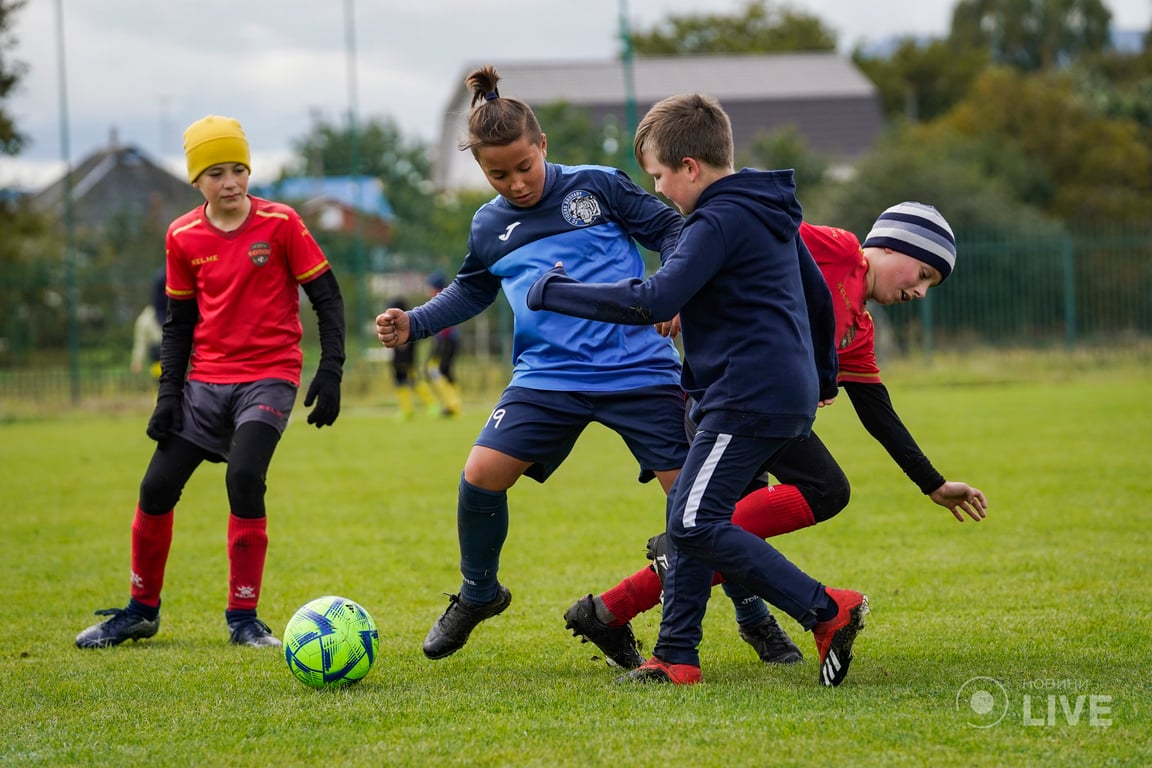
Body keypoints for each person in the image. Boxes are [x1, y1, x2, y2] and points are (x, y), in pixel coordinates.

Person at [527, 92, 866, 687]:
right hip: (776, 395)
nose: (657, 189)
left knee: (689, 521)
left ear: (690, 167)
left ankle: (825, 608)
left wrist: (556, 292)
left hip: (744, 397)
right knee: (696, 513)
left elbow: (654, 300)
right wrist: (823, 377)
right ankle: (677, 656)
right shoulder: (769, 208)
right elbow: (816, 297)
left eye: (659, 175)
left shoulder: (716, 219)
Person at [561, 203, 988, 671]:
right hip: (727, 397)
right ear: (889, 246)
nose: (922, 290)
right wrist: (681, 293)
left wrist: (933, 483)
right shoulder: (837, 247)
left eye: (931, 285)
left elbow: (878, 413)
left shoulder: (858, 332)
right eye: (923, 272)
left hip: (764, 413)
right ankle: (688, 595)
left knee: (720, 532)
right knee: (795, 499)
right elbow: (736, 234)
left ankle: (613, 612)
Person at [374, 65, 689, 662]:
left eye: (525, 166)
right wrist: (413, 322)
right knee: (480, 476)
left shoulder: (598, 187)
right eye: (498, 173)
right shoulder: (489, 224)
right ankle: (479, 593)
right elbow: (472, 289)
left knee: (697, 502)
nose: (516, 182)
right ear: (480, 169)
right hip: (548, 377)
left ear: (542, 145)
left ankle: (752, 615)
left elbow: (674, 231)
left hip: (639, 369)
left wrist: (674, 293)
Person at [76, 115, 346, 650]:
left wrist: (332, 369)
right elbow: (178, 325)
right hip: (203, 383)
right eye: (217, 172)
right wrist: (167, 397)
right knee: (155, 488)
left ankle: (243, 619)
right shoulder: (181, 235)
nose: (231, 182)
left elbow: (328, 298)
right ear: (196, 180)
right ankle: (140, 611)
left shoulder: (281, 223)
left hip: (268, 376)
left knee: (244, 477)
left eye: (239, 169)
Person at [387, 295, 438, 421]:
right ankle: (406, 410)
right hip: (397, 360)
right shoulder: (394, 323)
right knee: (400, 383)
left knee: (415, 382)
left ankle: (432, 405)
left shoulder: (408, 322)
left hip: (408, 360)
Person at [424, 270, 462, 416]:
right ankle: (452, 403)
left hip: (446, 339)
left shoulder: (440, 299)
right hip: (445, 339)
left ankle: (452, 404)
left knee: (436, 369)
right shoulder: (446, 297)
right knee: (443, 371)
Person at [129, 267, 167, 381]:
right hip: (160, 356)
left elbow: (140, 343)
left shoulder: (144, 320)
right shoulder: (145, 320)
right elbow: (140, 343)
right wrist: (137, 361)